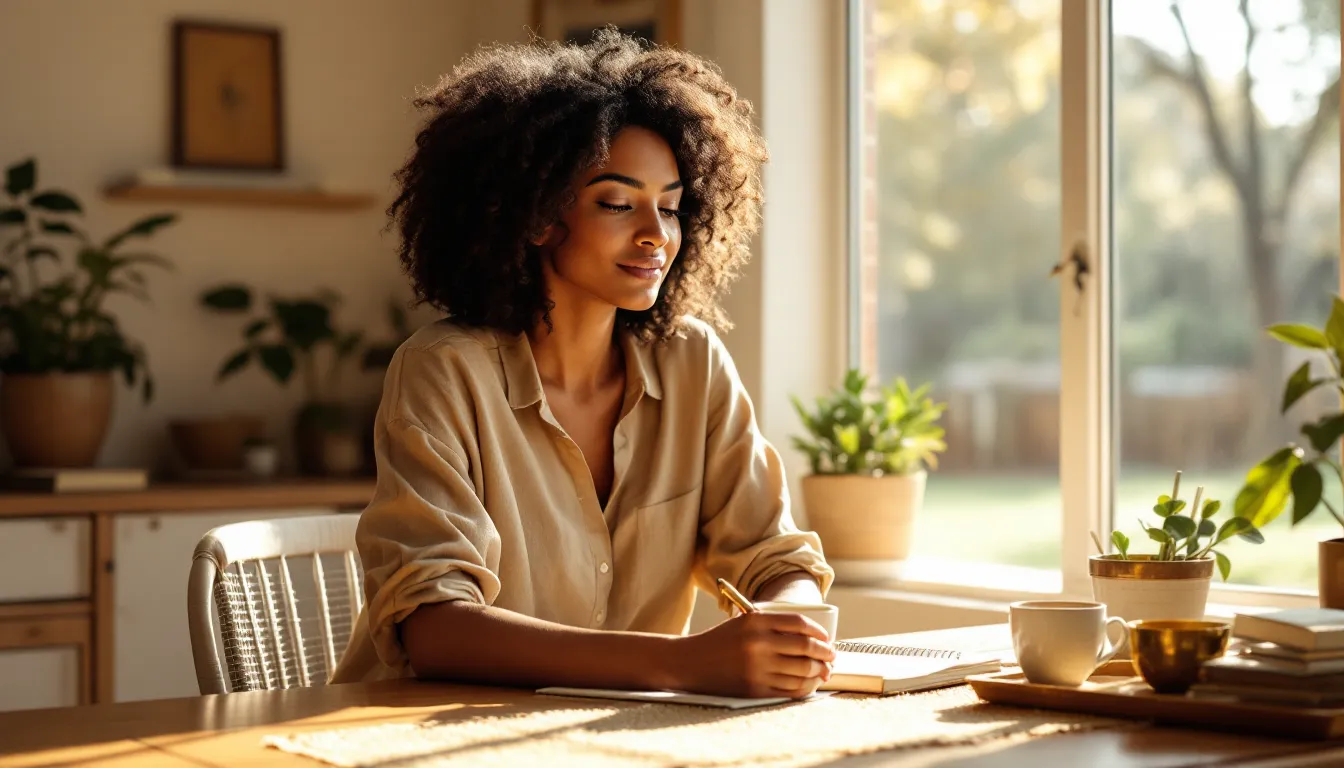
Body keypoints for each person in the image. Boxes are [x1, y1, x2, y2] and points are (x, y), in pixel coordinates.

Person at [330, 29, 835, 699]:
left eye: (672, 206)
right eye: (619, 204)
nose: (657, 235)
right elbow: (435, 628)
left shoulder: (692, 363)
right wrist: (682, 663)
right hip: (406, 733)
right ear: (538, 216)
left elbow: (773, 554)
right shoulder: (444, 371)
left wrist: (789, 621)